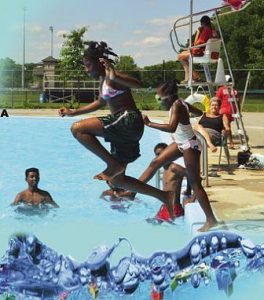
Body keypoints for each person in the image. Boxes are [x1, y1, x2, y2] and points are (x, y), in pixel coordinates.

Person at [59, 41, 176, 217]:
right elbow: (100, 102)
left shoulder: (113, 77)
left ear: (99, 63)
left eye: (88, 65)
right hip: (124, 129)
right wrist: (73, 111)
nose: (86, 69)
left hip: (128, 120)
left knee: (78, 129)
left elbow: (137, 84)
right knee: (117, 180)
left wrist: (115, 75)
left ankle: (112, 164)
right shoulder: (103, 80)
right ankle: (164, 196)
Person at [138, 79, 218, 231]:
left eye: (159, 97)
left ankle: (211, 219)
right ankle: (131, 191)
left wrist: (149, 123)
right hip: (182, 142)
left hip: (190, 145)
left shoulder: (177, 106)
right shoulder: (182, 103)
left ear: (168, 96)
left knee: (196, 184)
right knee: (156, 163)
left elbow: (171, 127)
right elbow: (200, 112)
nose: (158, 100)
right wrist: (189, 124)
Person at [178, 15, 217, 84]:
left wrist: (198, 32)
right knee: (182, 54)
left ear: (202, 24)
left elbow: (197, 44)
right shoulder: (213, 31)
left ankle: (189, 77)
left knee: (180, 56)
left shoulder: (206, 31)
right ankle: (194, 76)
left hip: (201, 53)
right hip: (210, 53)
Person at [152, 143, 185, 222]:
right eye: (157, 155)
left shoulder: (174, 168)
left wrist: (190, 195)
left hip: (174, 209)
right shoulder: (165, 169)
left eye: (161, 154)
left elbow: (192, 177)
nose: (158, 157)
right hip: (165, 207)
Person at [216, 76, 240, 149]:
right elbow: (238, 102)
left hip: (224, 110)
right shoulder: (235, 90)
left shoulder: (221, 89)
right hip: (232, 111)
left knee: (226, 127)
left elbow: (217, 99)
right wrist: (238, 111)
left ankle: (229, 142)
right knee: (227, 126)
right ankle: (229, 142)